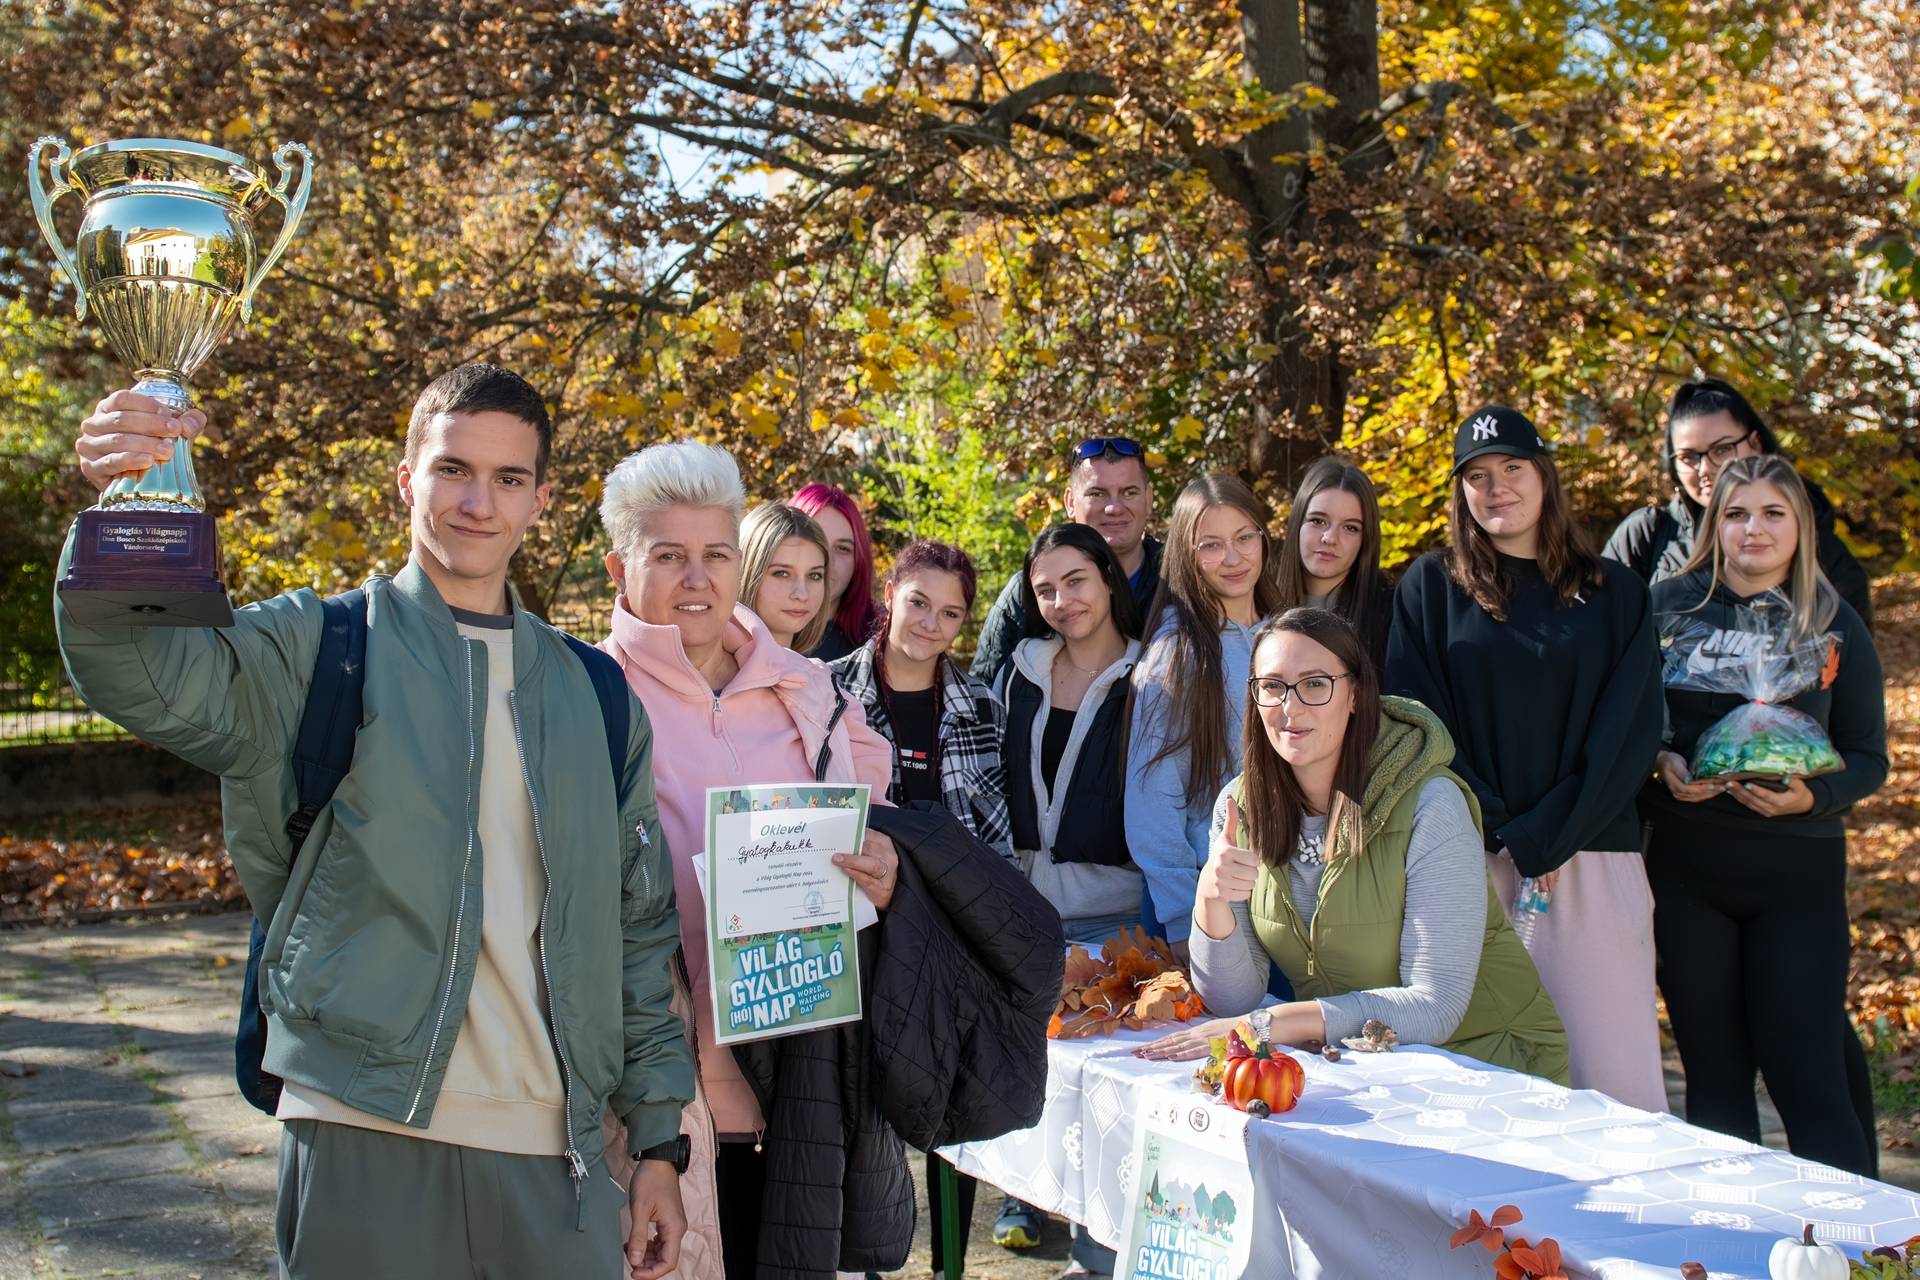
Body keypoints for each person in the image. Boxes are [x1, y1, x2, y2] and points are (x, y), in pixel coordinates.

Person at [59, 365, 694, 1278]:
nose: (478, 503)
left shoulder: (596, 695)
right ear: (406, 478)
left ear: (541, 499)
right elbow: (146, 675)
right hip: (361, 1130)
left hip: (560, 1150)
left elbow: (635, 937)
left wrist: (660, 1146)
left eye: (508, 479)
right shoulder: (319, 646)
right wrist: (128, 506)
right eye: (452, 470)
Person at [597, 442, 944, 1280]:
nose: (696, 579)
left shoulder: (808, 690)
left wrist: (885, 869)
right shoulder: (587, 694)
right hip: (661, 1105)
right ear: (619, 567)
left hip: (806, 1082)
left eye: (714, 555)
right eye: (668, 556)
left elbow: (875, 826)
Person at [1137, 609, 1568, 1082]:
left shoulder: (1431, 801)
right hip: (1365, 1068)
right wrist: (1211, 899)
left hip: (1490, 1063)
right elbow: (1232, 999)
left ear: (1356, 696)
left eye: (1316, 684)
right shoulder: (1240, 805)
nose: (1290, 708)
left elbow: (1435, 1005)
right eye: (1273, 686)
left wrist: (1269, 1023)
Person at [1387, 405, 1667, 1112]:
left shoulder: (1615, 594)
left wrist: (1545, 834)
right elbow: (1417, 721)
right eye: (1476, 475)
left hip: (1590, 858)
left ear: (1544, 476)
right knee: (1479, 1089)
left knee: (1610, 1080)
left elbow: (1628, 736)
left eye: (1513, 467)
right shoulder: (1429, 588)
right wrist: (1498, 828)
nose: (1496, 487)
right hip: (1466, 861)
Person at [1644, 455, 1886, 1176]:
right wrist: (1661, 763)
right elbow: (1625, 725)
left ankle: (1863, 1250)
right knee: (1714, 1082)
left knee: (1807, 1074)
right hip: (1687, 874)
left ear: (1799, 526)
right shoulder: (1663, 608)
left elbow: (1869, 757)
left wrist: (1813, 796)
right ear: (1713, 523)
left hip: (1798, 879)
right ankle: (1734, 1247)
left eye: (1772, 513)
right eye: (1737, 513)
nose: (1753, 529)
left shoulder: (1831, 619)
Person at [988, 523, 1145, 1255]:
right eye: (1045, 589)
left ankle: (1098, 1252)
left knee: (1106, 1100)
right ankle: (1027, 1208)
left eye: (1075, 581)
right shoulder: (1019, 672)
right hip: (1025, 916)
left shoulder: (1154, 676)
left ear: (1109, 578)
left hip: (1114, 919)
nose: (1061, 600)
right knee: (1038, 1085)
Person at [1126, 475, 1280, 957]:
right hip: (1204, 900)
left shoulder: (1290, 637)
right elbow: (1151, 799)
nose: (1232, 558)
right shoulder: (1177, 654)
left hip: (1286, 897)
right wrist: (1178, 915)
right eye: (1210, 545)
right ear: (1187, 557)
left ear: (1264, 538)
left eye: (1243, 538)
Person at [1603, 377, 1873, 628]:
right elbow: (1602, 633)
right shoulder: (1646, 537)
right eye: (1688, 457)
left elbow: (1848, 663)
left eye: (1721, 450)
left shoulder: (1825, 555)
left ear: (1755, 443)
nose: (1705, 468)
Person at [830, 539, 1015, 860]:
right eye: (918, 603)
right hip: (860, 902)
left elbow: (1001, 844)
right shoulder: (830, 692)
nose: (931, 624)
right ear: (889, 595)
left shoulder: (984, 709)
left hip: (959, 904)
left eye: (950, 613)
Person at [971, 437, 1162, 684]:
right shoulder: (1028, 591)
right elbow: (984, 694)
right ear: (1070, 503)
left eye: (1129, 492)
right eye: (1097, 493)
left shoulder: (1181, 585)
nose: (1114, 507)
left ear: (1148, 499)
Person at [1273, 457, 1395, 676]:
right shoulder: (1260, 605)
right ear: (1297, 524)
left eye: (1350, 527)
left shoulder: (1391, 616)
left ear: (1365, 540)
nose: (1330, 538)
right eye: (1318, 521)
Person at [788, 482, 881, 661]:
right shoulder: (737, 633)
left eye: (843, 548)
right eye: (816, 542)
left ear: (859, 561)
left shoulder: (879, 648)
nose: (827, 561)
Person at [738, 502, 832, 651]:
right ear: (747, 572)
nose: (802, 594)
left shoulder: (817, 672)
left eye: (814, 576)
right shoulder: (709, 670)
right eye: (781, 573)